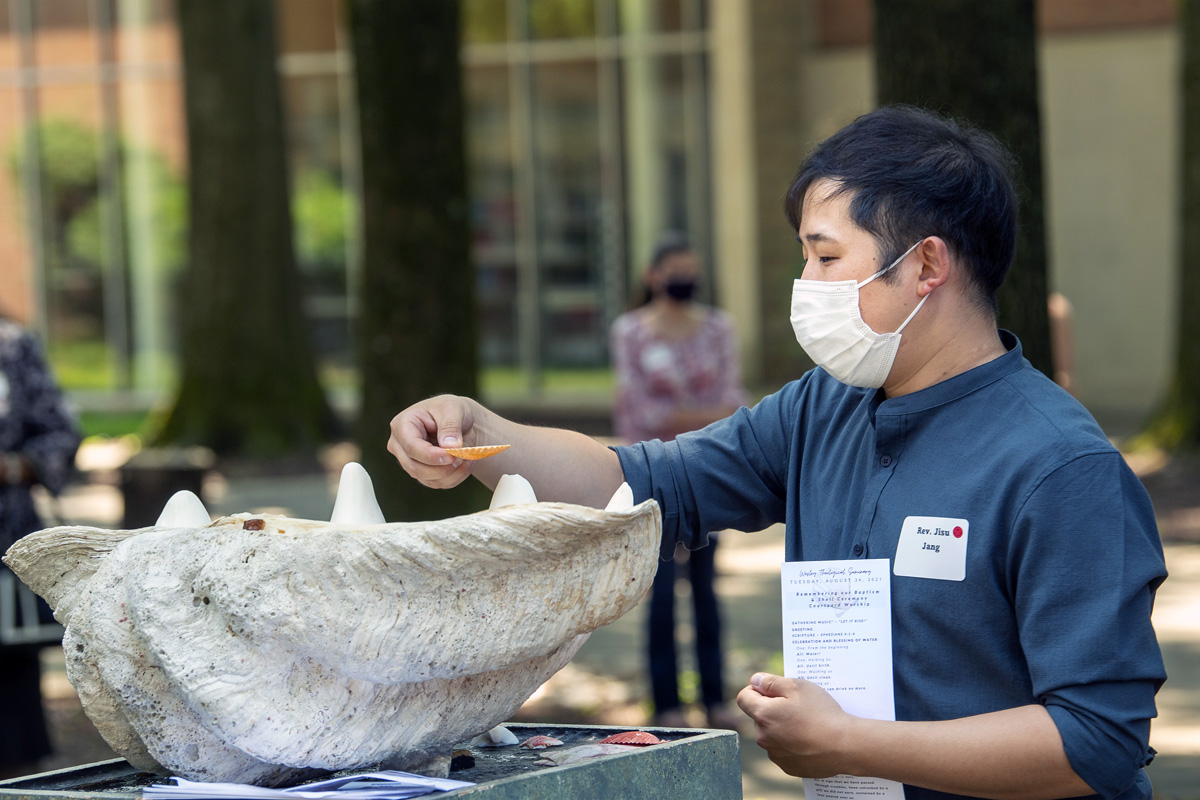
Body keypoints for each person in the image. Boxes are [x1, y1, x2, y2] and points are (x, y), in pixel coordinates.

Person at [387, 105, 1165, 800]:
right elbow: (643, 483)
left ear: (927, 266)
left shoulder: (1061, 469)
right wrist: (477, 435)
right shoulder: (822, 408)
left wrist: (851, 744)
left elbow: (1096, 738)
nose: (807, 284)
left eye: (826, 258)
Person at [610, 232, 747, 731]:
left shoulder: (718, 328)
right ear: (654, 276)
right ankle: (665, 702)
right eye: (677, 270)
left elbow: (736, 401)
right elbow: (637, 410)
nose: (686, 279)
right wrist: (704, 413)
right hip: (650, 474)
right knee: (662, 591)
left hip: (711, 471)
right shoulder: (631, 332)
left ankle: (715, 697)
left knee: (708, 589)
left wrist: (684, 415)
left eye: (692, 269)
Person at [0, 316, 82, 779]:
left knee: (10, 713)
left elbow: (61, 432)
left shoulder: (10, 346)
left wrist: (12, 467)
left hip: (3, 546)